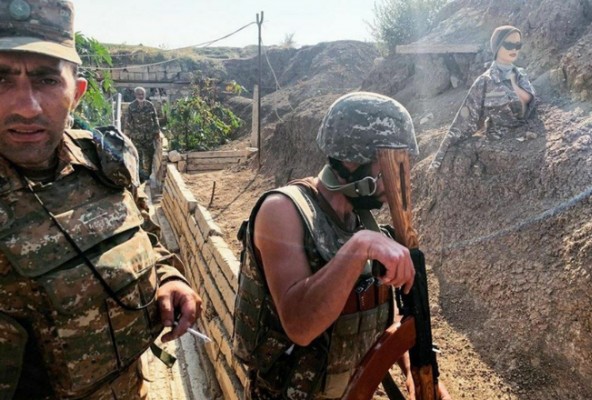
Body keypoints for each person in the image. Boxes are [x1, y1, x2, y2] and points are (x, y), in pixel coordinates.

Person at [0, 1, 202, 399]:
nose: (27, 106)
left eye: (46, 80)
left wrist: (169, 278)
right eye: (1, 80)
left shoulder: (102, 160)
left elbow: (146, 233)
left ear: (76, 93)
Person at [233, 92, 451, 399]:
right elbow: (300, 326)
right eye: (392, 164)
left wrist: (416, 369)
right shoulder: (283, 211)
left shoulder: (365, 224)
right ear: (354, 161)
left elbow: (382, 317)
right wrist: (357, 247)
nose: (400, 180)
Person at [430, 25, 538, 170]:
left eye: (518, 45)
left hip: (529, 143)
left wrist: (514, 85)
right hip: (500, 151)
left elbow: (531, 102)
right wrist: (440, 158)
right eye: (509, 45)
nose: (514, 49)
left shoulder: (521, 74)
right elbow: (464, 120)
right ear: (497, 47)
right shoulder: (485, 81)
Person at [124, 86, 161, 182]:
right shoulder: (131, 107)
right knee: (138, 156)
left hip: (149, 136)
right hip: (136, 136)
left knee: (149, 155)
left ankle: (147, 174)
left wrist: (157, 131)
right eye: (139, 94)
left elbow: (155, 118)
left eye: (142, 94)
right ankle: (140, 176)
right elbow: (128, 121)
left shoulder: (150, 105)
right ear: (135, 95)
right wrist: (126, 135)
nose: (141, 96)